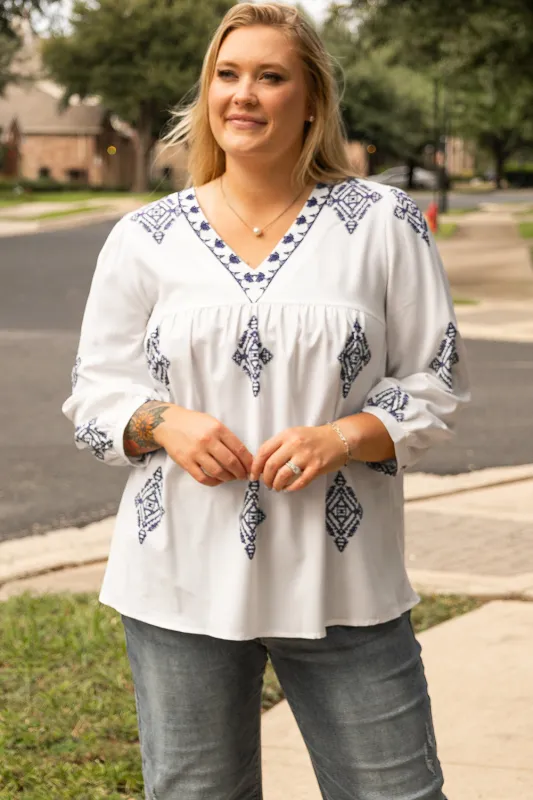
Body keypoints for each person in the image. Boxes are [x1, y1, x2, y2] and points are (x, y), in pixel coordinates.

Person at [62, 3, 470, 798]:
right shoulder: (146, 237)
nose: (242, 94)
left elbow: (435, 381)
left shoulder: (383, 224)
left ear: (311, 99)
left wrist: (343, 438)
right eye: (227, 74)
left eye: (269, 76)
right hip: (177, 576)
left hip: (343, 577)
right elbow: (94, 395)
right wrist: (161, 422)